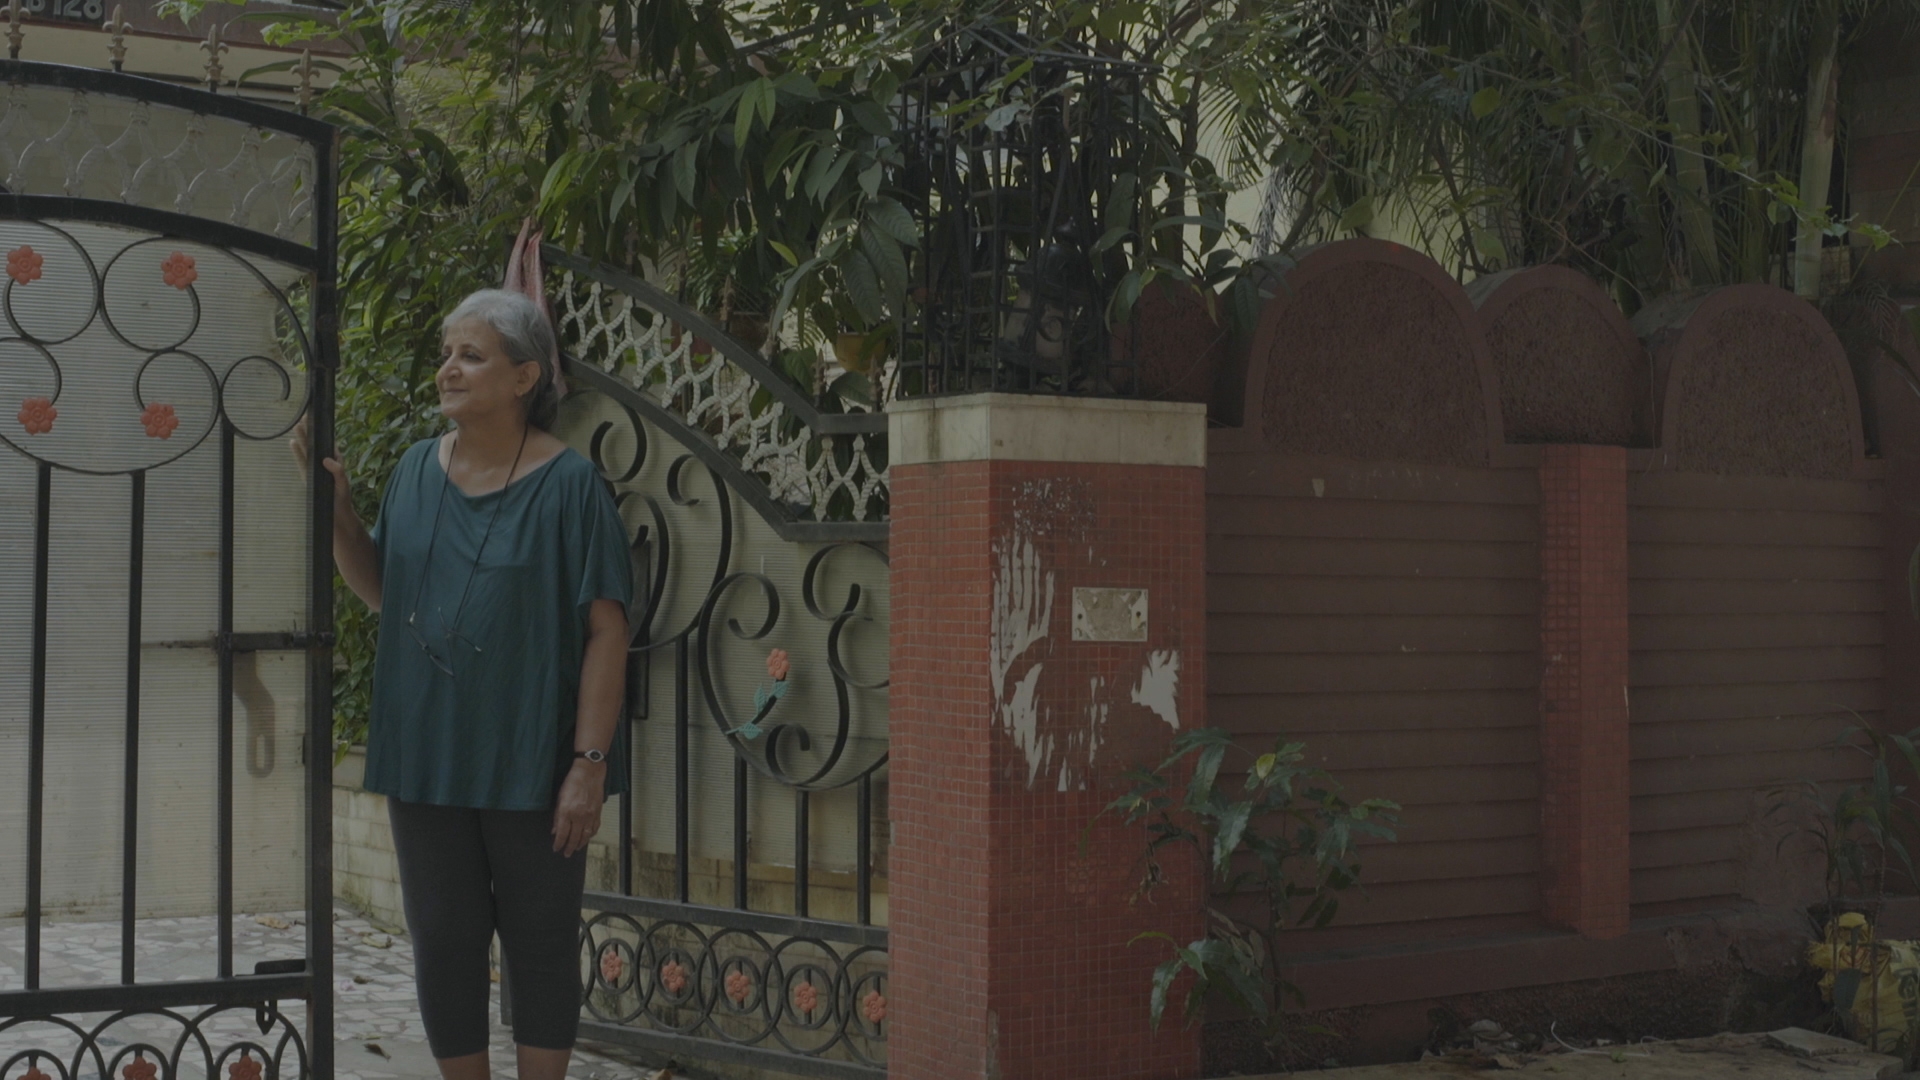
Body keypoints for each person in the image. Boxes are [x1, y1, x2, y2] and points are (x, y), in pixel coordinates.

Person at [292, 288, 631, 1080]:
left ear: (524, 378)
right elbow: (386, 593)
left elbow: (607, 632)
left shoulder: (571, 485)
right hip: (426, 753)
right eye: (447, 353)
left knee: (540, 942)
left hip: (532, 759)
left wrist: (588, 764)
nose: (448, 368)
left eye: (470, 355)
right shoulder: (415, 469)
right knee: (442, 940)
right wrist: (340, 516)